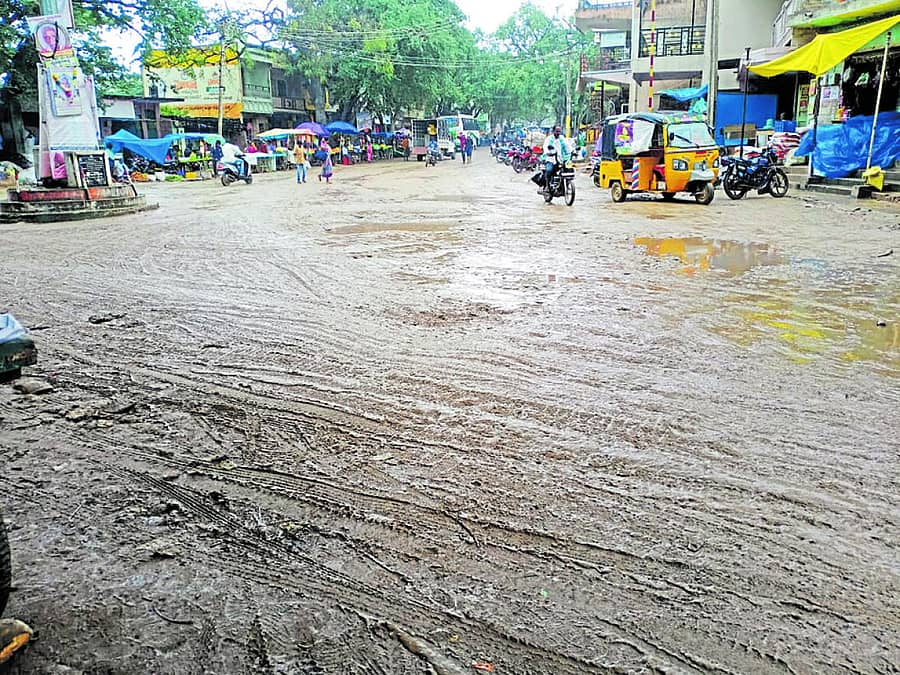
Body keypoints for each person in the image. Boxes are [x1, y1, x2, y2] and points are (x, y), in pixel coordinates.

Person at [543, 125, 571, 193]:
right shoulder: (549, 139)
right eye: (557, 131)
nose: (558, 133)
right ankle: (547, 186)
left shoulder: (562, 139)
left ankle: (566, 185)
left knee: (568, 170)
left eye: (559, 131)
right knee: (549, 170)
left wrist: (571, 151)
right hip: (551, 159)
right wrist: (548, 152)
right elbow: (545, 147)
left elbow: (567, 146)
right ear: (553, 131)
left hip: (561, 159)